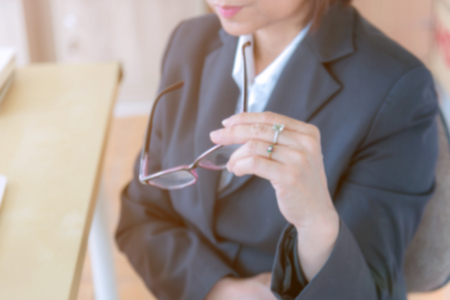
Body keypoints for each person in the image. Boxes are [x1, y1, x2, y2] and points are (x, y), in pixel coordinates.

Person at [115, 0, 439, 299]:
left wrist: (318, 224)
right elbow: (141, 216)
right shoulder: (189, 42)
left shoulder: (394, 87)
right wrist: (218, 289)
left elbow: (370, 289)